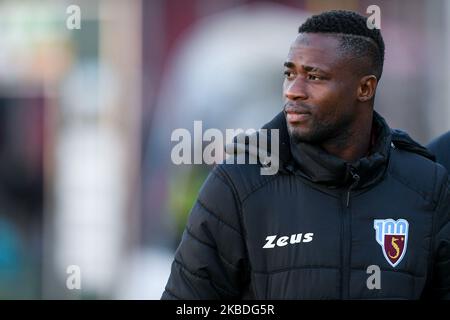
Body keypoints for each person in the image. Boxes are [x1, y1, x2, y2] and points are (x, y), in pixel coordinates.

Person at [161, 10, 450, 299]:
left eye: (314, 76)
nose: (293, 91)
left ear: (364, 88)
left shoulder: (426, 186)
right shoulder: (238, 183)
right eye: (290, 74)